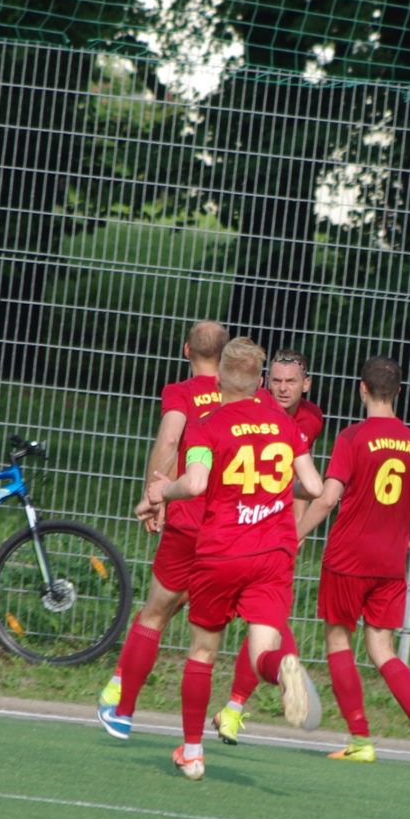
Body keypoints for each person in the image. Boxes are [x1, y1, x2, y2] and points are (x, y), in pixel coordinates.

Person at [140, 337, 325, 780]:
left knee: (203, 652)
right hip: (273, 554)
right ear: (261, 381)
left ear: (219, 379)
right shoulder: (284, 425)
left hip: (222, 552)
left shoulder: (206, 426)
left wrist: (162, 490)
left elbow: (196, 483)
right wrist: (275, 487)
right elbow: (316, 487)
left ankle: (192, 752)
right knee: (263, 651)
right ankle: (281, 670)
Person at [290, 356, 410, 768]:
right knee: (383, 649)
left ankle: (360, 738)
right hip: (390, 563)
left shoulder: (353, 438)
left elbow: (327, 498)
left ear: (362, 389)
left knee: (338, 640)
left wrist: (294, 535)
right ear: (398, 392)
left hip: (348, 558)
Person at [97, 320, 227, 738]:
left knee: (156, 612)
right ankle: (206, 729)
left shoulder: (182, 392)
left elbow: (170, 442)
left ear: (187, 350)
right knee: (207, 636)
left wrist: (155, 495)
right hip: (231, 528)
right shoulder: (246, 397)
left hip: (188, 518)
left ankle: (122, 703)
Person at [213, 348, 325, 741]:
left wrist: (295, 531)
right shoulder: (252, 405)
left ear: (306, 384)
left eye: (290, 381)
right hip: (229, 529)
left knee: (267, 625)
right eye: (276, 380)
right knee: (264, 626)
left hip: (267, 537)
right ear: (264, 381)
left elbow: (298, 481)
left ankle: (231, 711)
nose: (282, 388)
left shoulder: (311, 419)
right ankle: (126, 682)